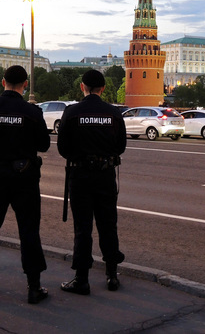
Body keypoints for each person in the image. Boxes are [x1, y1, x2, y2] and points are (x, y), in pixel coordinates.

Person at [0, 65, 50, 304]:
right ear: (25, 84)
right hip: (25, 177)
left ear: (3, 81)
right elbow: (44, 145)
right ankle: (34, 287)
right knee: (28, 230)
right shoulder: (32, 112)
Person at [57, 69, 127, 295]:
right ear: (103, 89)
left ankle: (82, 279)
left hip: (80, 177)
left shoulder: (72, 112)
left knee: (82, 228)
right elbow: (121, 146)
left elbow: (63, 149)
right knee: (108, 225)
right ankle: (112, 276)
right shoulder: (113, 113)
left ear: (82, 87)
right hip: (106, 175)